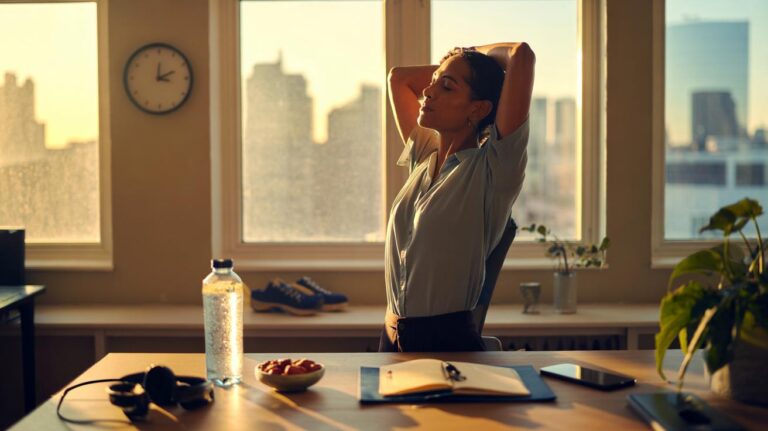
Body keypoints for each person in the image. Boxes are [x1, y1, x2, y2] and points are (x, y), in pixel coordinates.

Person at [380, 42, 535, 352]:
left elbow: (521, 56)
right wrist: (453, 61)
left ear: (478, 108)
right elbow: (399, 78)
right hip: (391, 333)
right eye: (433, 82)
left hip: (444, 341)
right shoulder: (425, 156)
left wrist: (470, 53)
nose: (428, 91)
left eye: (446, 87)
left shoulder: (493, 170)